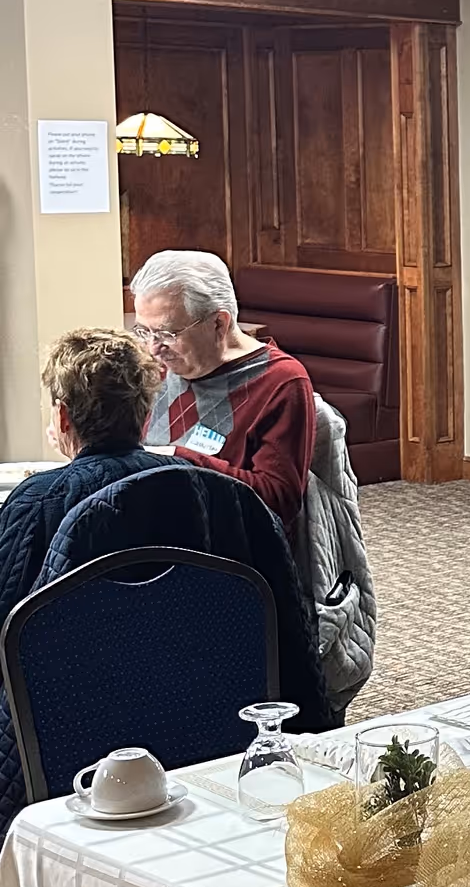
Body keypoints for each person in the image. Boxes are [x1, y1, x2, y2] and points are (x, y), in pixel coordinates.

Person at [0, 328, 184, 620]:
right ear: (146, 413)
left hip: (66, 664)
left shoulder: (37, 502)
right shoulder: (204, 487)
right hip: (198, 661)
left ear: (62, 417)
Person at [132, 249, 315, 530]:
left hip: (222, 547)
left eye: (168, 333)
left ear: (219, 323)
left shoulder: (279, 381)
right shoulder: (153, 366)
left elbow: (279, 500)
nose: (154, 348)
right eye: (144, 331)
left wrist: (178, 461)